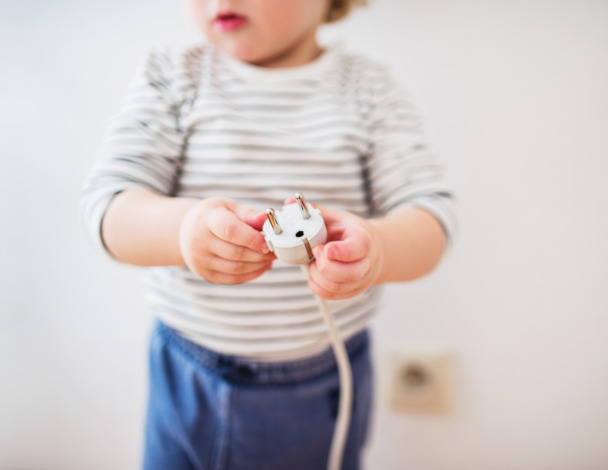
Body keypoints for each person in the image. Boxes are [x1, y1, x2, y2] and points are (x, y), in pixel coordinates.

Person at [80, 0, 456, 468]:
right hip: (185, 370)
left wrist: (376, 250)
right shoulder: (173, 76)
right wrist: (183, 231)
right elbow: (110, 209)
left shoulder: (367, 89)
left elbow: (430, 219)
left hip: (322, 381)